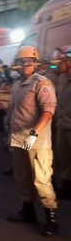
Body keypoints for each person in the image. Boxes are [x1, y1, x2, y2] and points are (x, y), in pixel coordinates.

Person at [7, 45, 58, 237]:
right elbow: (15, 111)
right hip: (18, 138)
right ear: (18, 64)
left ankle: (51, 219)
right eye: (22, 61)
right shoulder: (17, 85)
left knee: (42, 180)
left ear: (35, 63)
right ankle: (28, 212)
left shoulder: (42, 83)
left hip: (37, 141)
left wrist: (34, 133)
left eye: (29, 61)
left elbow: (49, 110)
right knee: (22, 178)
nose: (26, 64)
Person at [53, 45, 71, 199]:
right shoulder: (62, 78)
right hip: (62, 124)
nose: (59, 64)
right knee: (63, 157)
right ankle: (66, 184)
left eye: (62, 61)